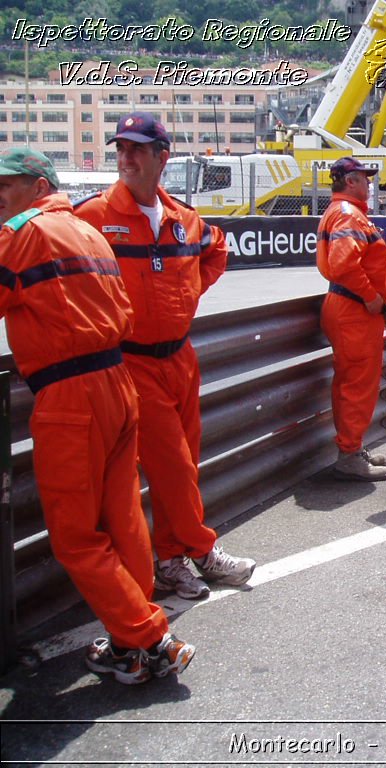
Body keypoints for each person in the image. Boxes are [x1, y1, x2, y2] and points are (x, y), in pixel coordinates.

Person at [0, 148, 194, 683]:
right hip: (117, 383)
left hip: (70, 396)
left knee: (75, 536)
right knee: (125, 517)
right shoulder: (88, 231)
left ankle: (150, 636)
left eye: (6, 187)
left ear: (38, 187)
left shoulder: (24, 231)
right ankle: (130, 646)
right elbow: (125, 311)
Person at [75, 112, 255, 600]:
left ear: (161, 157)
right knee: (172, 463)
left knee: (186, 462)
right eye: (120, 149)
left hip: (180, 358)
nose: (126, 158)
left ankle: (172, 559)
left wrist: (189, 291)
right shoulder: (91, 217)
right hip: (131, 363)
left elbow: (217, 250)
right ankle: (201, 549)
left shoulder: (184, 219)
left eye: (136, 149)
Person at [316, 156, 386, 482]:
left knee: (351, 382)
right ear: (350, 181)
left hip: (349, 309)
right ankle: (349, 454)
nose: (369, 184)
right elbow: (345, 264)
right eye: (364, 178)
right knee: (357, 385)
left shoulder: (344, 213)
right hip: (355, 311)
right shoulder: (348, 215)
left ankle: (351, 447)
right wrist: (371, 297)